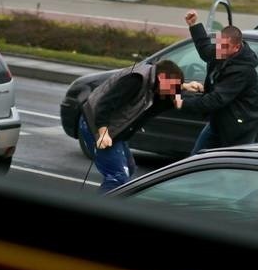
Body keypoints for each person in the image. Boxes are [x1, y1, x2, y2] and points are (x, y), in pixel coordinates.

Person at [79, 59, 191, 192]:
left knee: (129, 170)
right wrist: (103, 133)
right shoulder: (135, 80)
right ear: (161, 78)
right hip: (95, 126)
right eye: (172, 87)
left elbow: (161, 103)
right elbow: (104, 105)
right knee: (118, 178)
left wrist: (182, 88)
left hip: (115, 131)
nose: (173, 92)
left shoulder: (154, 83)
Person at [178, 10, 258, 154]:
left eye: (224, 47)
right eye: (218, 45)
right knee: (196, 160)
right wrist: (194, 25)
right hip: (219, 121)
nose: (219, 50)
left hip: (239, 128)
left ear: (236, 47)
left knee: (231, 169)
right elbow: (205, 51)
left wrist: (182, 102)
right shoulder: (222, 50)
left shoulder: (242, 70)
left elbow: (216, 99)